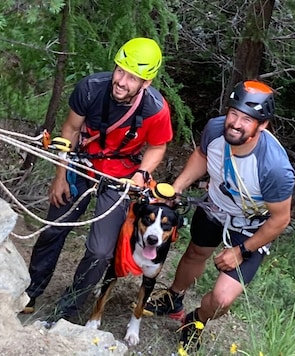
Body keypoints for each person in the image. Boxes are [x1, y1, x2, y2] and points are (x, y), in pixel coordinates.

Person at [22, 37, 173, 322]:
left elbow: (158, 145)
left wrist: (142, 174)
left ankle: (69, 308)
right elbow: (70, 129)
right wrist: (60, 175)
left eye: (132, 77)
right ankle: (30, 290)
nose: (121, 81)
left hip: (120, 177)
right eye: (120, 71)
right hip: (81, 163)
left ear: (146, 82)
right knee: (55, 228)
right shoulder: (91, 89)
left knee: (101, 251)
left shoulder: (155, 110)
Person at [144, 80, 295, 351]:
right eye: (233, 113)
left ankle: (196, 319)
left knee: (222, 299)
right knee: (195, 254)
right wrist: (177, 187)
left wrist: (242, 250)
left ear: (263, 125)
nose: (235, 123)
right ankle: (173, 298)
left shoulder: (274, 168)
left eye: (247, 119)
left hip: (252, 225)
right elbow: (203, 156)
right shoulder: (216, 129)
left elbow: (280, 220)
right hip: (215, 205)